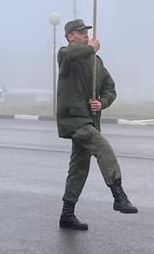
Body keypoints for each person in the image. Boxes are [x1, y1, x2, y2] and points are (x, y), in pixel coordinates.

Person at [55, 17, 137, 231]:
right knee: (102, 147)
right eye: (81, 32)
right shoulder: (66, 55)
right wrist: (90, 49)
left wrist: (102, 102)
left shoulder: (96, 62)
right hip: (73, 118)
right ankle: (118, 195)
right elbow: (72, 54)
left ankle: (67, 214)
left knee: (79, 167)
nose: (86, 35)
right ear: (70, 36)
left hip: (90, 119)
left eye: (86, 32)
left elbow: (110, 87)